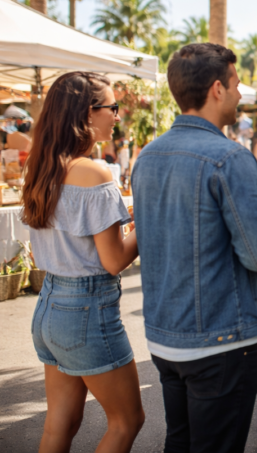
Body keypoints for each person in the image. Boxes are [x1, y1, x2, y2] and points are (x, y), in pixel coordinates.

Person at [131, 43, 257, 453]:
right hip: (219, 342)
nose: (240, 94)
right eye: (237, 84)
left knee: (180, 443)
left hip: (164, 338)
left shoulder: (146, 158)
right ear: (217, 89)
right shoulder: (230, 158)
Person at [21, 72, 144, 453]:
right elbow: (114, 260)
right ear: (87, 113)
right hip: (86, 310)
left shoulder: (41, 168)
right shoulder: (93, 171)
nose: (117, 116)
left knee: (60, 423)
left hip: (49, 308)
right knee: (127, 422)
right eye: (112, 107)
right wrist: (148, 222)